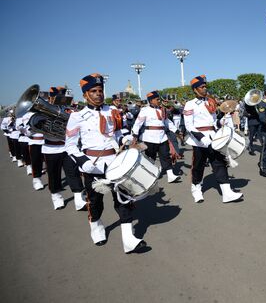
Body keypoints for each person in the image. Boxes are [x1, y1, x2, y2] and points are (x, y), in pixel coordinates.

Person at [65, 73, 145, 253]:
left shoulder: (113, 111)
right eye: (93, 91)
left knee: (124, 198)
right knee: (95, 201)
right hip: (92, 164)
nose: (98, 94)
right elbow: (69, 145)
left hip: (115, 162)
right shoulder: (77, 116)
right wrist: (82, 161)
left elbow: (118, 133)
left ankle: (128, 238)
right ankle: (96, 226)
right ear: (85, 94)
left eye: (100, 90)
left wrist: (126, 138)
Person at [183, 75, 243, 204]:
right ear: (195, 89)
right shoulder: (190, 104)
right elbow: (189, 125)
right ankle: (196, 189)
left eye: (205, 86)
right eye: (202, 87)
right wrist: (201, 138)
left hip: (213, 137)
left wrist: (223, 120)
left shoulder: (211, 101)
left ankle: (227, 193)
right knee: (198, 166)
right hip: (198, 139)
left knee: (219, 163)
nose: (205, 89)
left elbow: (214, 122)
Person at [131, 91, 181, 183]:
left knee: (165, 156)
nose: (159, 101)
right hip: (149, 137)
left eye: (159, 99)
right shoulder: (144, 110)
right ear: (151, 100)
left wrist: (176, 131)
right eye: (157, 99)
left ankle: (170, 176)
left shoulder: (162, 110)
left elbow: (167, 122)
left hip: (162, 137)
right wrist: (135, 135)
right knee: (150, 158)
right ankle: (150, 175)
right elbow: (138, 123)